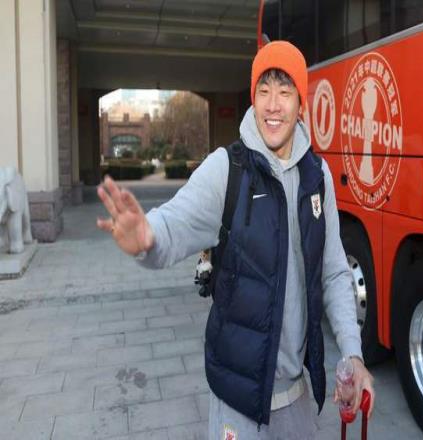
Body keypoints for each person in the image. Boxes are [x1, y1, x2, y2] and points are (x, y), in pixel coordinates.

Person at [97, 40, 375, 439]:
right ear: (253, 99)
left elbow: (334, 272)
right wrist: (147, 237)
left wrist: (352, 354)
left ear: (301, 102)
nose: (273, 105)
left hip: (297, 393)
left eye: (284, 91)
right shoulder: (227, 169)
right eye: (264, 91)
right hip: (238, 399)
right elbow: (174, 223)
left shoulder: (318, 177)